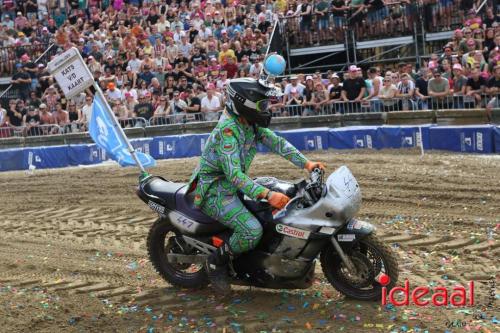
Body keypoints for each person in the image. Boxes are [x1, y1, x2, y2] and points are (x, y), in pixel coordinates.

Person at [187, 77, 325, 293]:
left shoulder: (248, 123)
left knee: (281, 189)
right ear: (245, 103)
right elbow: (233, 175)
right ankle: (216, 262)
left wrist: (307, 163)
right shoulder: (228, 131)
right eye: (262, 104)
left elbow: (277, 143)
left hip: (235, 185)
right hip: (215, 191)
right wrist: (267, 195)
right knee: (251, 231)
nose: (266, 108)